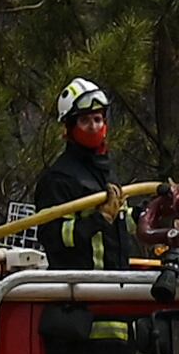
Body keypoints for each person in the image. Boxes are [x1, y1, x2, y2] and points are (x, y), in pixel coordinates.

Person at [31, 76, 135, 267]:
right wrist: (99, 219)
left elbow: (121, 222)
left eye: (97, 119)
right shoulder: (59, 178)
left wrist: (147, 215)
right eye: (84, 120)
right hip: (79, 284)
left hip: (116, 281)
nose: (93, 127)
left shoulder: (105, 172)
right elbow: (52, 237)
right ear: (70, 127)